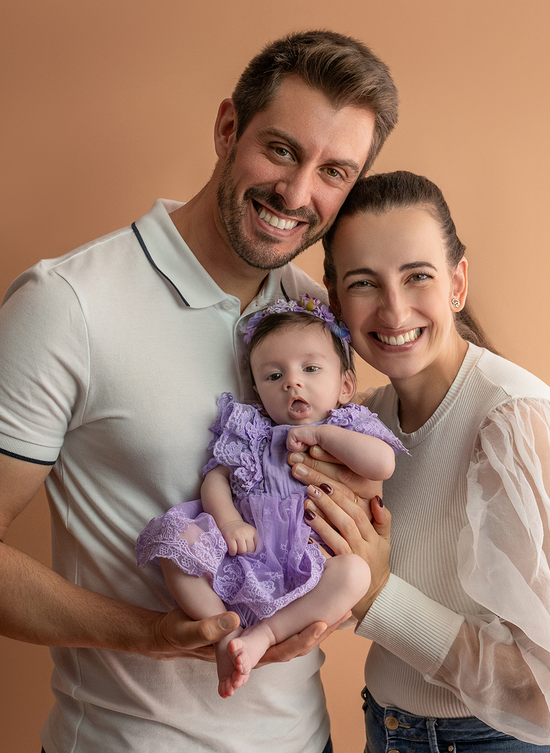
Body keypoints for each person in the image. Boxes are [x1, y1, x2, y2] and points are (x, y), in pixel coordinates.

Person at [0, 31, 398, 753]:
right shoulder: (68, 305)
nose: (297, 194)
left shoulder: (313, 318)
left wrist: (373, 571)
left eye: (334, 171)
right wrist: (155, 636)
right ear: (228, 129)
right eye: (283, 150)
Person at [294, 171, 550, 751]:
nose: (394, 309)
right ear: (334, 300)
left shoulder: (514, 424)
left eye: (417, 277)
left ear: (457, 283)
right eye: (363, 283)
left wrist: (382, 597)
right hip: (391, 732)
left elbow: (549, 696)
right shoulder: (361, 427)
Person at [136, 296, 407, 698]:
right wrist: (228, 521)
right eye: (273, 375)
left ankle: (263, 635)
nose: (292, 382)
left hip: (308, 557)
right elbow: (216, 478)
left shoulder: (349, 425)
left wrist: (322, 435)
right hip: (245, 547)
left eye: (310, 369)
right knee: (175, 541)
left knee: (356, 574)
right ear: (256, 389)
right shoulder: (251, 427)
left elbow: (383, 464)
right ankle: (223, 627)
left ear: (345, 385)